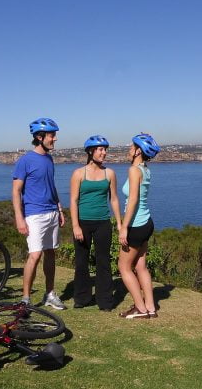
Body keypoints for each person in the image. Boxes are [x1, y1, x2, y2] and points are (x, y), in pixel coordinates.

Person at [12, 117, 66, 310]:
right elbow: (16, 191)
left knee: (50, 253)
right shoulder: (25, 160)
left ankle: (50, 294)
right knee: (34, 255)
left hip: (51, 212)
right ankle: (25, 298)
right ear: (39, 136)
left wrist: (59, 209)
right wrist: (19, 218)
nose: (55, 139)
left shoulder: (49, 159)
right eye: (52, 135)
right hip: (34, 214)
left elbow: (51, 187)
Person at [68, 135, 121, 311]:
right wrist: (75, 225)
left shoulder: (110, 173)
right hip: (83, 223)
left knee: (103, 262)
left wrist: (119, 223)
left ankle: (105, 301)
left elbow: (114, 199)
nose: (104, 153)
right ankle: (82, 298)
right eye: (100, 149)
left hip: (103, 223)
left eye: (105, 149)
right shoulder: (78, 173)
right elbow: (74, 201)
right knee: (81, 262)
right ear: (91, 151)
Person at [118, 133, 161, 319]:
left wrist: (124, 227)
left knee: (124, 267)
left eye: (131, 147)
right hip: (146, 223)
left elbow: (133, 199)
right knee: (141, 266)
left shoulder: (134, 170)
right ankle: (150, 307)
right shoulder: (145, 169)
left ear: (138, 151)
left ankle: (140, 309)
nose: (129, 150)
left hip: (135, 225)